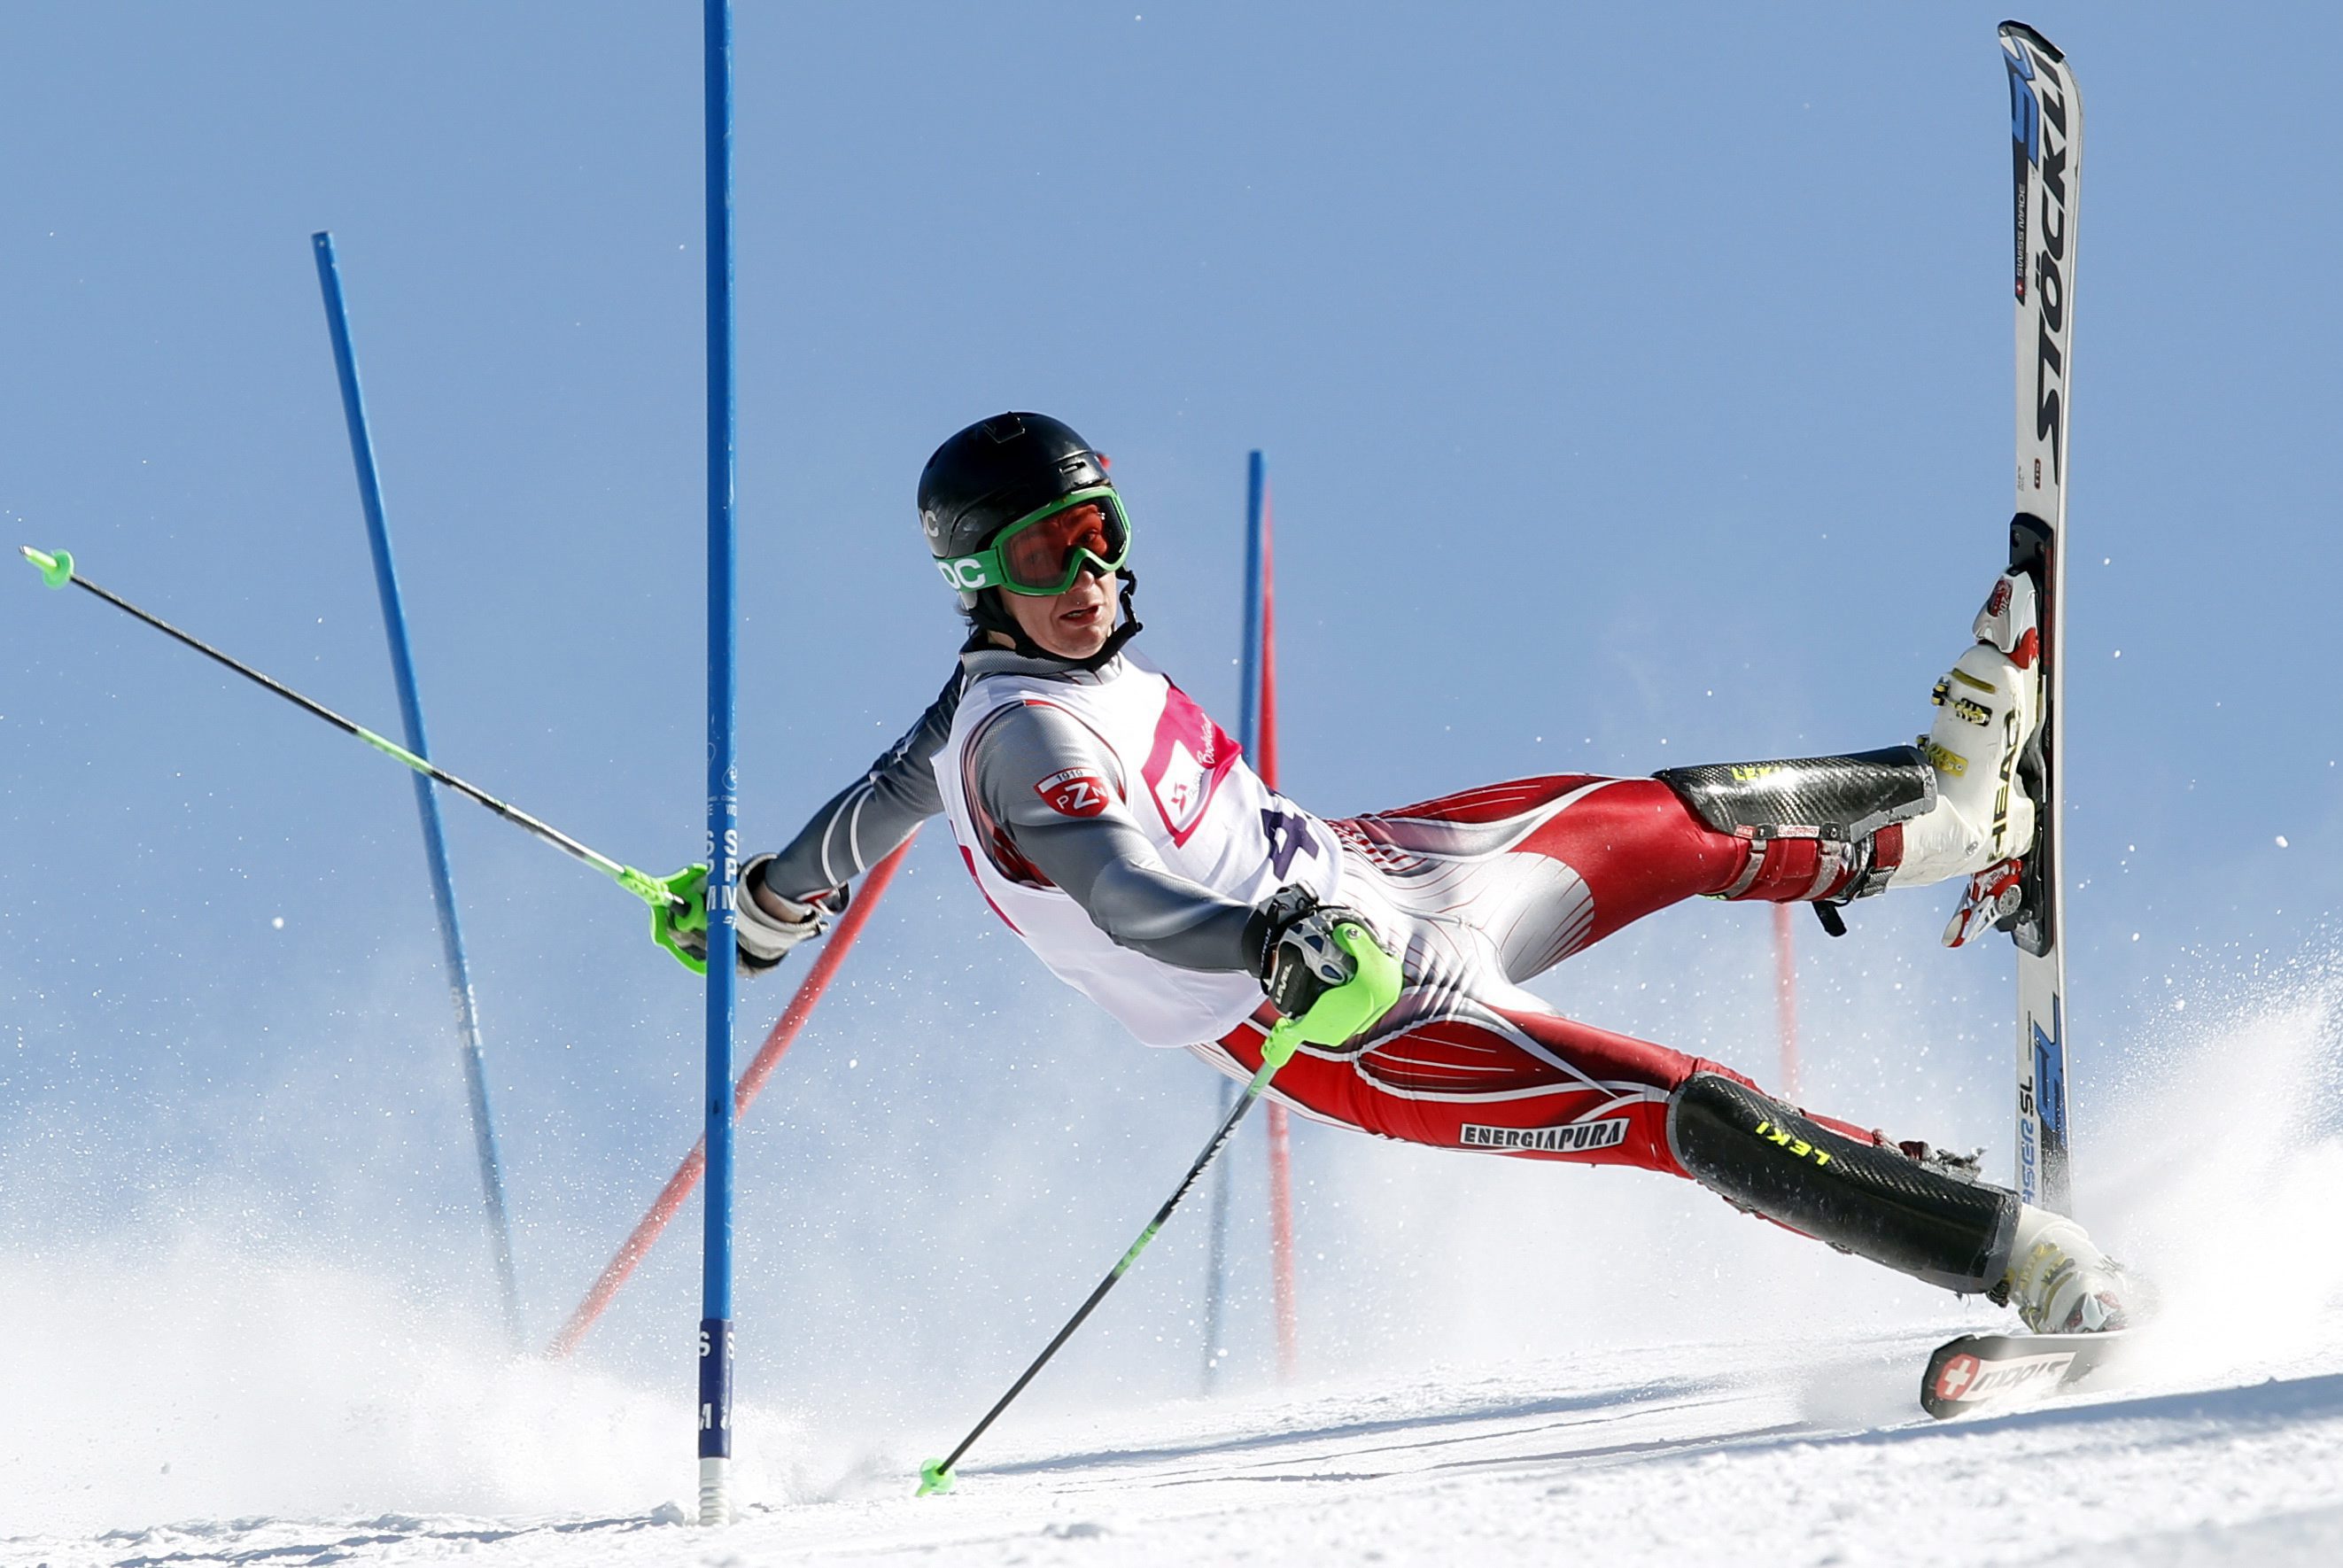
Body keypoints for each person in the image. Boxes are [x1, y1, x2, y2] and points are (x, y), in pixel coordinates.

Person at [684, 410, 2134, 1337]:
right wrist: (1265, 944)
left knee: (1656, 815)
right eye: (1042, 553)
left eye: (1098, 533)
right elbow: (1123, 890)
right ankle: (2016, 1258)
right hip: (1333, 1014)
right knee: (1666, 1103)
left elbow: (872, 805)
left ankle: (1954, 819)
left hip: (1372, 873)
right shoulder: (1023, 741)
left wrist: (768, 901)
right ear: (976, 580)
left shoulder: (979, 702)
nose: (1087, 576)